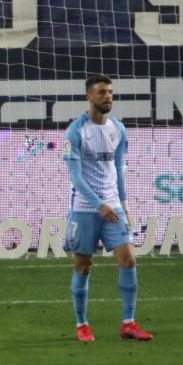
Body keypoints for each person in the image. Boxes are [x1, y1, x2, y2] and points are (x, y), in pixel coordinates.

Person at [62, 74, 152, 343]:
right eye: (101, 92)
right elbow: (76, 177)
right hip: (85, 209)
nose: (108, 97)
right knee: (83, 266)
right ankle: (82, 324)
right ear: (89, 96)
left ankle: (128, 323)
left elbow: (118, 170)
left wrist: (123, 205)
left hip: (113, 207)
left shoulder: (118, 129)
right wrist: (98, 205)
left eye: (110, 92)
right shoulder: (75, 130)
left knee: (129, 259)